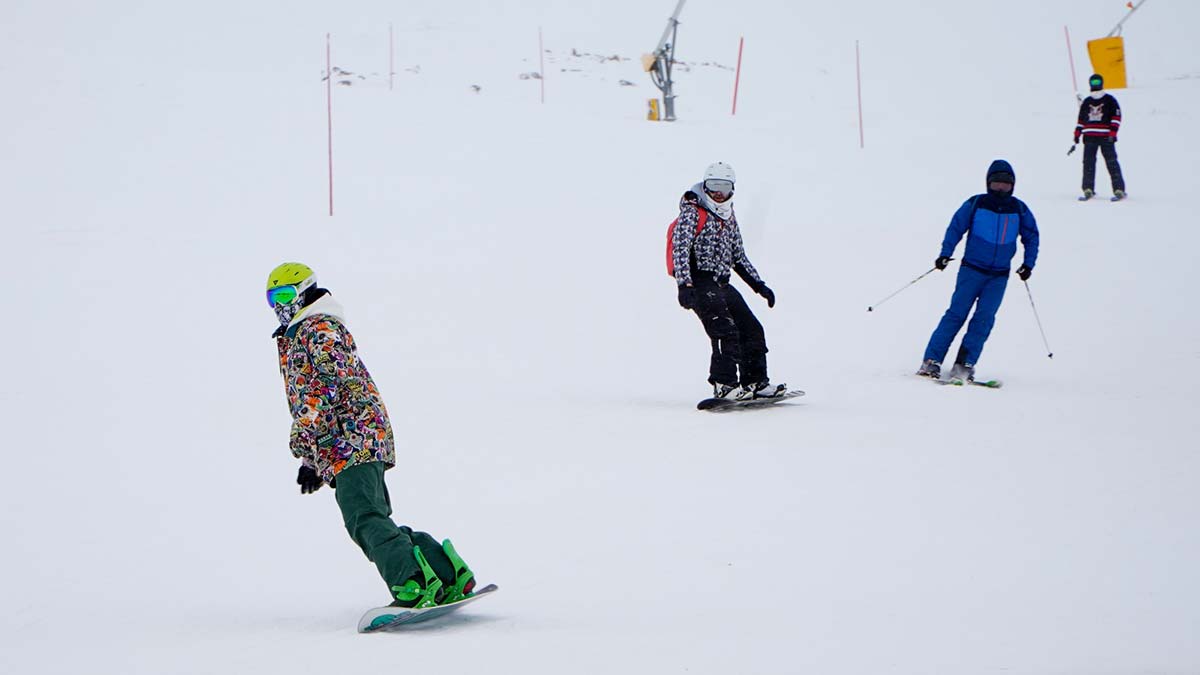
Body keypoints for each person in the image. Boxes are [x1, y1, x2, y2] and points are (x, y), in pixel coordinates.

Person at [266, 262, 476, 608]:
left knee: (364, 519)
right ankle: (447, 574)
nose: (280, 305)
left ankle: (411, 584)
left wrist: (302, 439)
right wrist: (311, 460)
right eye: (273, 298)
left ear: (304, 291)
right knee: (373, 518)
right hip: (349, 439)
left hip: (352, 437)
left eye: (286, 295)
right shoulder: (302, 333)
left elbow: (327, 384)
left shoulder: (318, 328)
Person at [917, 160, 1040, 383]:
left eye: (1006, 185)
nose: (1001, 189)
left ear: (1013, 186)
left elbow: (1031, 236)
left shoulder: (1019, 209)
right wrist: (945, 253)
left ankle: (964, 364)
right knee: (956, 314)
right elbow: (956, 227)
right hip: (971, 270)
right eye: (996, 184)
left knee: (984, 320)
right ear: (988, 184)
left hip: (998, 276)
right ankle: (931, 361)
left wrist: (1028, 264)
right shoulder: (976, 204)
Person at [671, 162, 785, 400]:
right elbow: (680, 249)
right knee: (724, 329)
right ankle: (724, 385)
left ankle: (755, 382)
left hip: (721, 282)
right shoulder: (692, 212)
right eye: (713, 186)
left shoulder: (728, 216)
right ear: (705, 186)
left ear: (732, 189)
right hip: (699, 281)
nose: (718, 193)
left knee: (751, 328)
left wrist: (759, 286)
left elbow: (738, 256)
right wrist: (684, 285)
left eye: (724, 187)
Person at [1075, 73, 1126, 201]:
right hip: (1089, 137)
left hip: (1106, 137)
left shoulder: (1110, 100)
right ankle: (1088, 188)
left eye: (1097, 82)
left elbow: (1116, 117)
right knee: (1088, 163)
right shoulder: (1087, 101)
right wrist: (1077, 133)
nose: (1095, 85)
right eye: (1093, 82)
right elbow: (1081, 119)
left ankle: (1119, 189)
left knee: (1111, 162)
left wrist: (1113, 133)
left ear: (1102, 83)